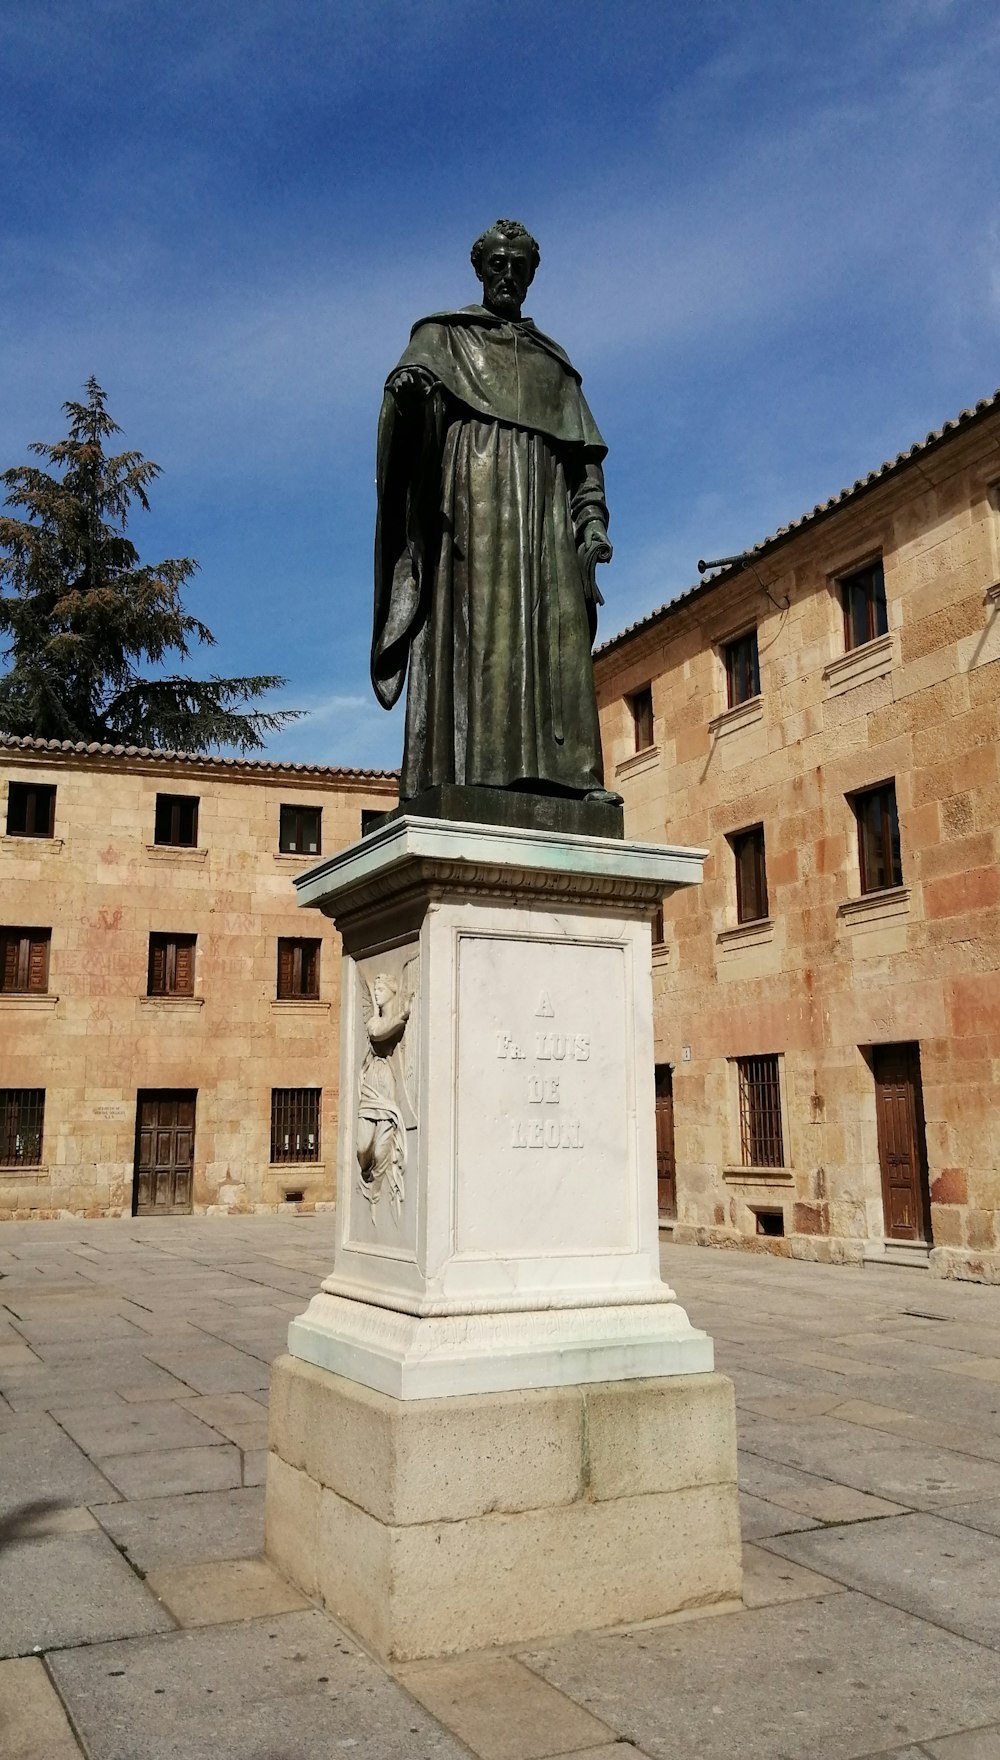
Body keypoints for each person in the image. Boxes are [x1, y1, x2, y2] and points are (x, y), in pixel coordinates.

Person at [371, 218, 615, 804]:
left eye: (519, 267)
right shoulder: (442, 338)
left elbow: (584, 461)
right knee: (475, 638)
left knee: (556, 632)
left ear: (531, 277)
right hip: (470, 515)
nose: (508, 275)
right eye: (498, 264)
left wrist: (594, 523)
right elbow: (403, 422)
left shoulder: (553, 364)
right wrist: (409, 400)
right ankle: (461, 773)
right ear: (480, 269)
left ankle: (572, 777)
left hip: (545, 522)